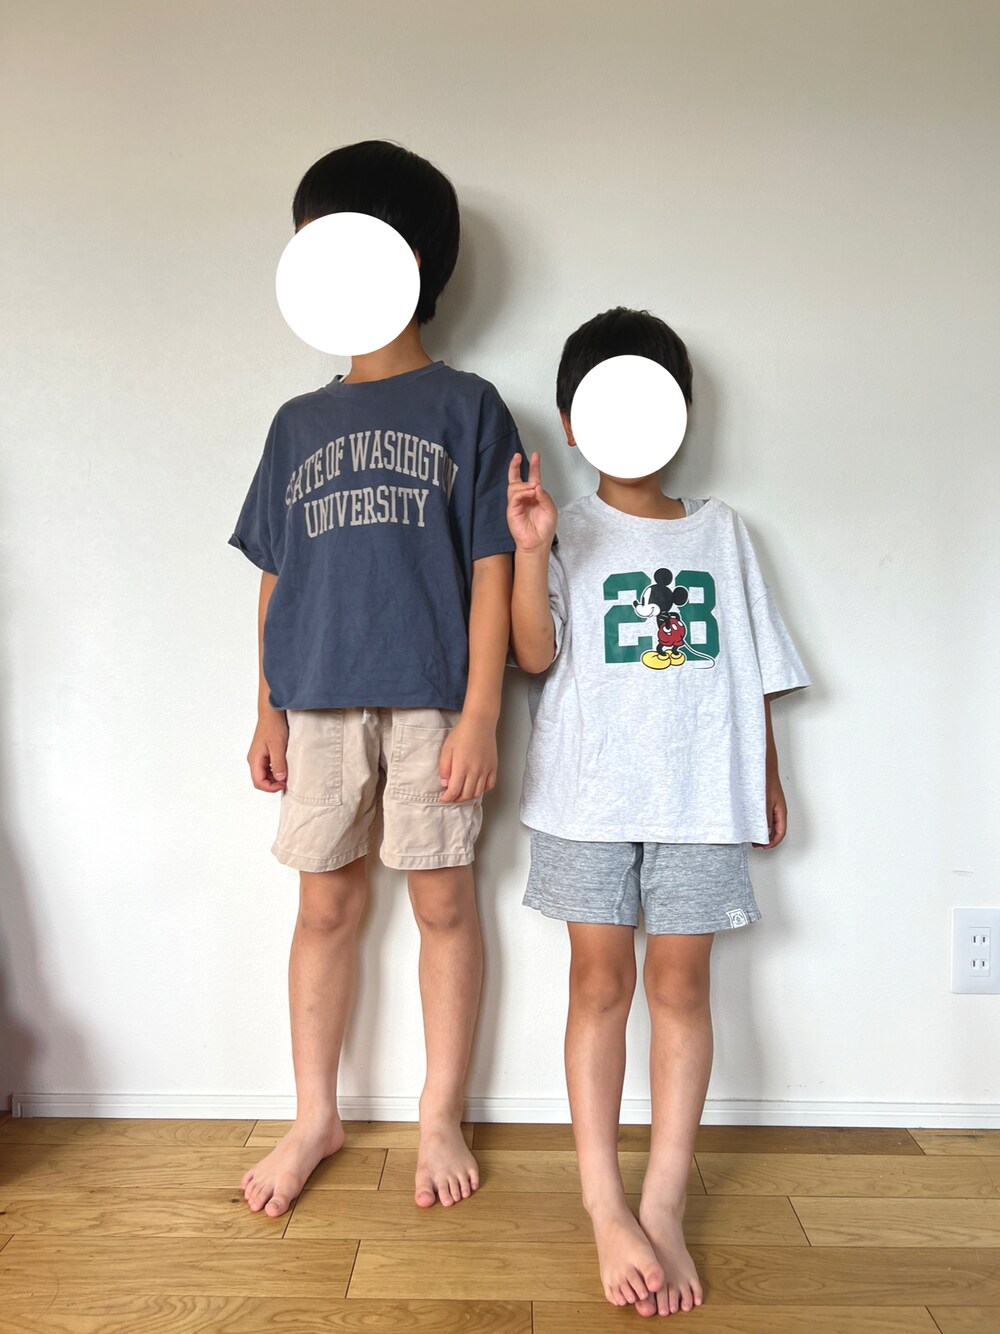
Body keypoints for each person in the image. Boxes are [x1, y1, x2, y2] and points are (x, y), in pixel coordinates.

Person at [230, 141, 520, 1216]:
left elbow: (492, 567)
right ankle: (315, 1113)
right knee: (325, 906)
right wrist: (265, 706)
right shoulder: (295, 423)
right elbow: (275, 576)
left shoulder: (469, 405)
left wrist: (482, 712)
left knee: (443, 901)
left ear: (406, 256)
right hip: (315, 698)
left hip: (432, 698)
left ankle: (439, 1112)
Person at [507, 307, 809, 1316]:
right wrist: (531, 551)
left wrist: (766, 779)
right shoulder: (561, 527)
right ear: (572, 421)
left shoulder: (724, 532)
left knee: (681, 987)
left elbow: (754, 670)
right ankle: (604, 1202)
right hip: (587, 798)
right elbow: (534, 654)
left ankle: (665, 1203)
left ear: (681, 413)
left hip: (699, 798)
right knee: (598, 983)